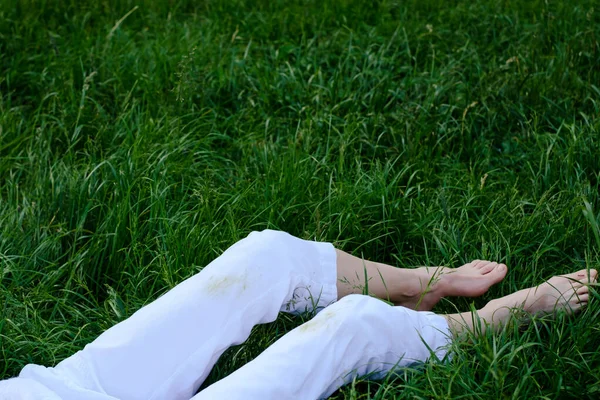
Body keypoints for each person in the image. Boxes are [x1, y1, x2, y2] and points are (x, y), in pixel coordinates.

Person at [0, 230, 596, 400]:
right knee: (349, 329)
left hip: (64, 388)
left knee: (264, 257)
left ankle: (423, 284)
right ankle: (489, 321)